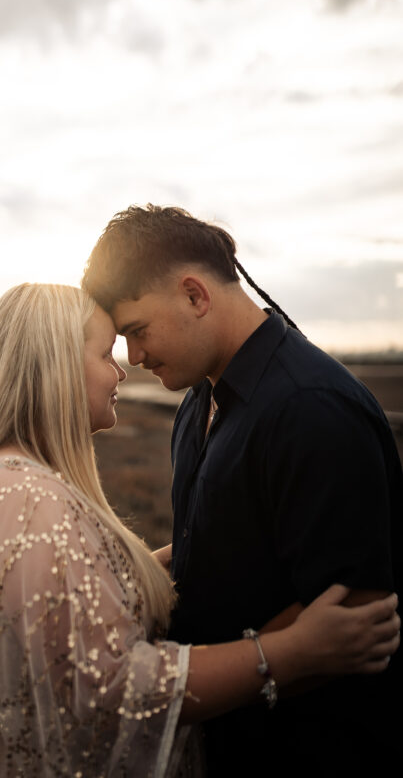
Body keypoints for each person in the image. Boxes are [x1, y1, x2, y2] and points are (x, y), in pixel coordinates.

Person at [0, 283, 399, 777]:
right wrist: (290, 652)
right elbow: (109, 687)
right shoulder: (25, 501)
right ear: (55, 366)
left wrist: (198, 552)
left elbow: (73, 604)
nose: (123, 368)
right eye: (105, 353)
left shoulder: (13, 482)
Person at [82, 205, 403, 776]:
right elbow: (218, 549)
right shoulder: (197, 400)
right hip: (227, 744)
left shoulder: (312, 410)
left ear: (194, 295)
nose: (133, 357)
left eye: (136, 331)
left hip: (309, 751)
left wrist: (195, 674)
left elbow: (355, 616)